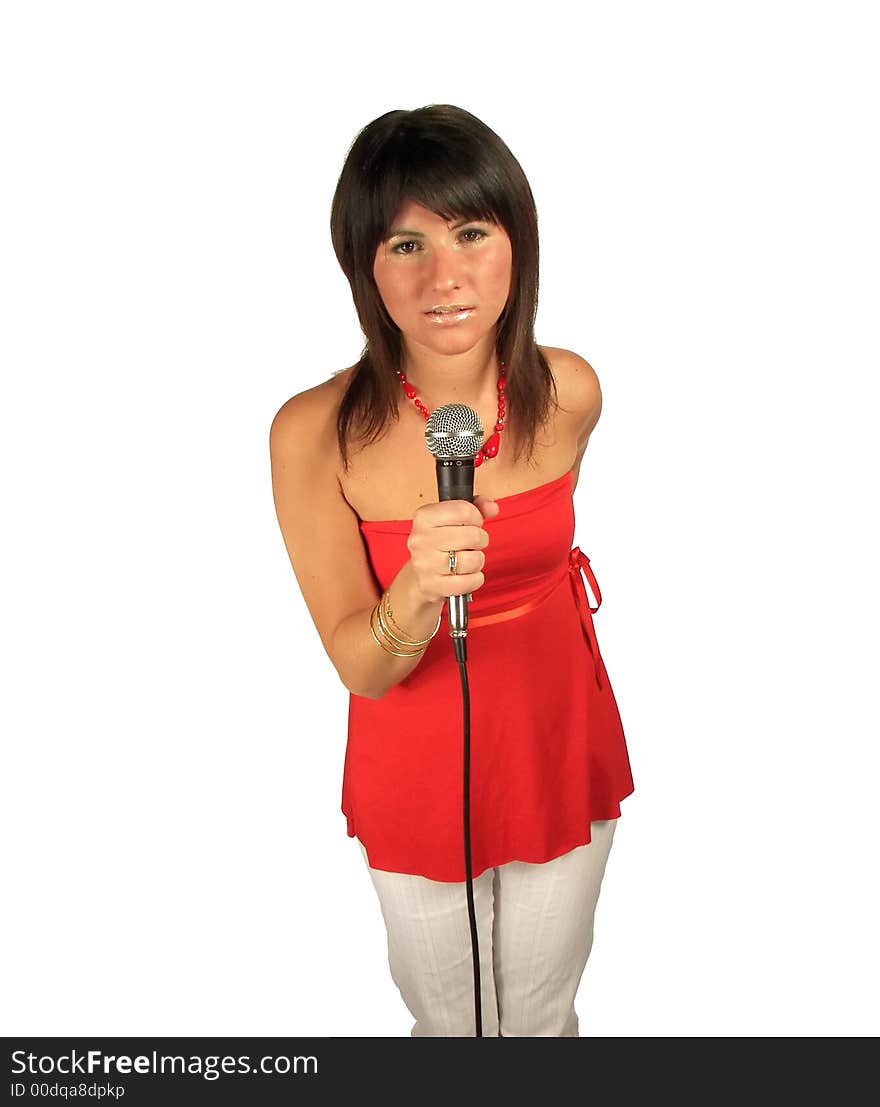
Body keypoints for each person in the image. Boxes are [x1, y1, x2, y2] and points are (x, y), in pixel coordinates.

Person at [269, 104, 634, 1037]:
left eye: (472, 231)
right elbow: (362, 665)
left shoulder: (573, 392)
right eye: (405, 244)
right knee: (451, 1026)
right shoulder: (312, 432)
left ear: (519, 241)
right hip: (415, 752)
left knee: (542, 1013)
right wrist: (417, 586)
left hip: (556, 731)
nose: (446, 276)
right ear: (363, 265)